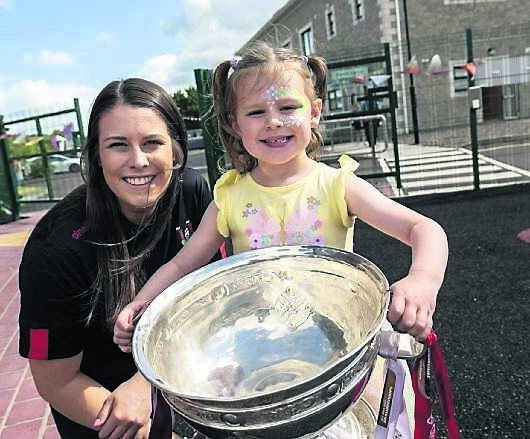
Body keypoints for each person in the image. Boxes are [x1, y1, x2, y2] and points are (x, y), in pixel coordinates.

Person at [114, 43, 448, 435]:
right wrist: (143, 303)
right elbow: (182, 263)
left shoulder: (337, 185)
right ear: (235, 125)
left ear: (315, 111)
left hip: (340, 348)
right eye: (256, 112)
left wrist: (422, 280)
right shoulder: (229, 197)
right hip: (263, 354)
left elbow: (423, 229)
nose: (273, 121)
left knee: (370, 423)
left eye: (287, 108)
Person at [18, 78, 217, 439]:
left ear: (175, 148)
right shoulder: (56, 249)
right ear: (97, 154)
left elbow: (212, 294)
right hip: (106, 406)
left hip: (184, 381)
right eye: (118, 145)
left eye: (152, 142)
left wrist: (149, 382)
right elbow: (57, 382)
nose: (138, 161)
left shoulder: (192, 189)